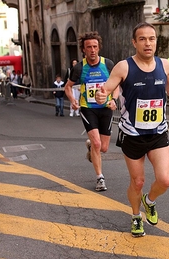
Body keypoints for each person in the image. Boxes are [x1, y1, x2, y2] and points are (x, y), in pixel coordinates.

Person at [95, 22, 169, 237]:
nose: (147, 43)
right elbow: (105, 89)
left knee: (165, 179)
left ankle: (149, 201)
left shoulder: (164, 65)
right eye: (142, 39)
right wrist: (101, 96)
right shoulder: (124, 67)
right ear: (134, 42)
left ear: (155, 41)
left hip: (158, 132)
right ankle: (135, 216)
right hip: (132, 134)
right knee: (138, 181)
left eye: (151, 38)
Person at [64, 31, 120, 192]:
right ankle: (100, 178)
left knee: (104, 148)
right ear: (83, 49)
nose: (92, 50)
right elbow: (68, 87)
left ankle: (91, 148)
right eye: (89, 47)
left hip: (106, 109)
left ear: (99, 48)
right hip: (88, 109)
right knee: (97, 143)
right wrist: (73, 101)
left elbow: (117, 85)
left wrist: (113, 100)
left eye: (95, 46)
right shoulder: (79, 68)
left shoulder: (108, 64)